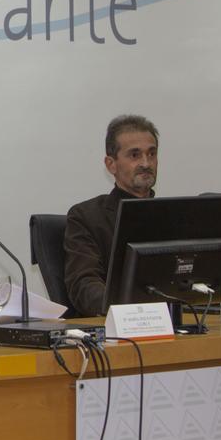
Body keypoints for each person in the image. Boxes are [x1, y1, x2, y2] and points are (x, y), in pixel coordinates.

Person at [64, 114, 159, 317]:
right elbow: (83, 285)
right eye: (135, 155)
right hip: (118, 329)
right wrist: (130, 307)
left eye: (151, 154)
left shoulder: (174, 215)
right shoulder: (86, 217)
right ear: (111, 164)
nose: (146, 163)